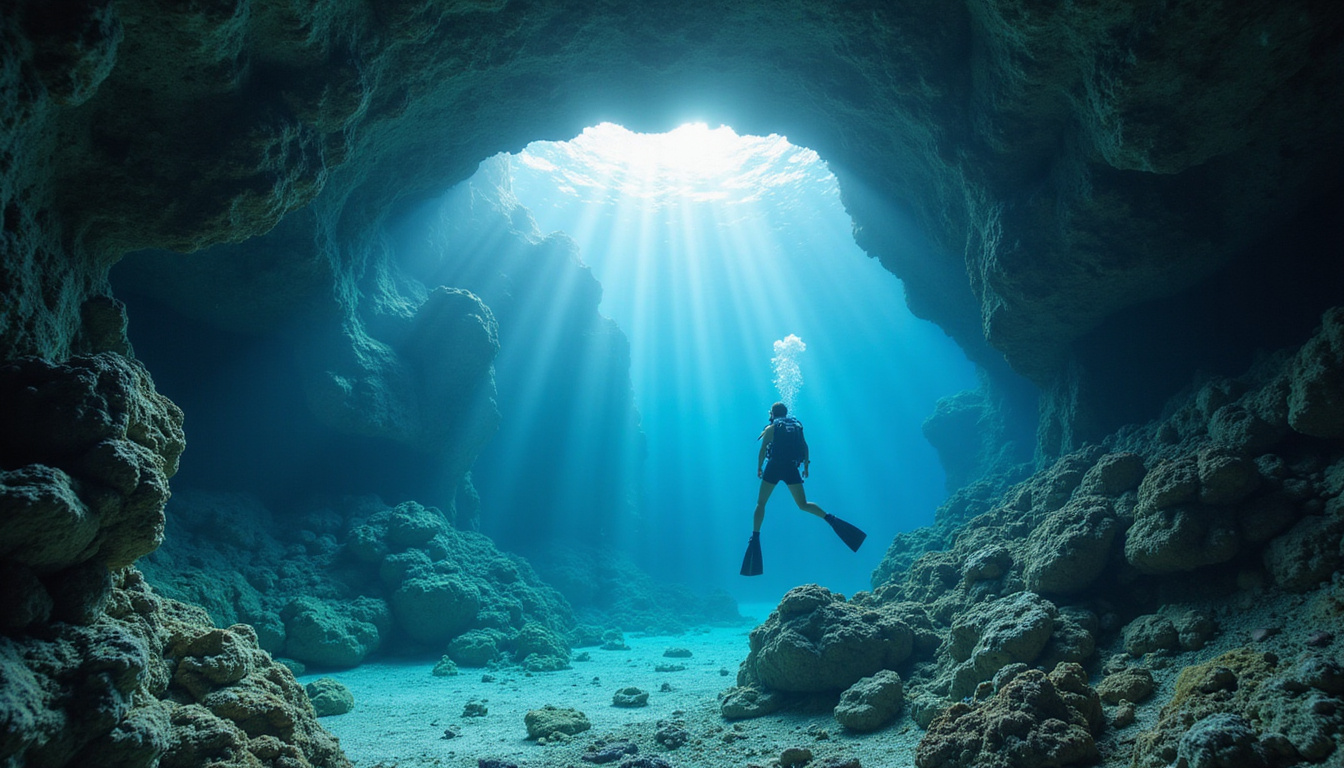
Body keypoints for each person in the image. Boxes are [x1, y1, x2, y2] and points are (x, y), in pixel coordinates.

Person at [740, 402, 866, 576]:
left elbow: (762, 451)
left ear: (772, 414)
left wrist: (759, 467)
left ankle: (755, 536)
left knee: (761, 503)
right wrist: (806, 467)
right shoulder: (797, 426)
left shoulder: (771, 428)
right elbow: (805, 447)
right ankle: (830, 519)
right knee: (803, 504)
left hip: (774, 467)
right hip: (792, 468)